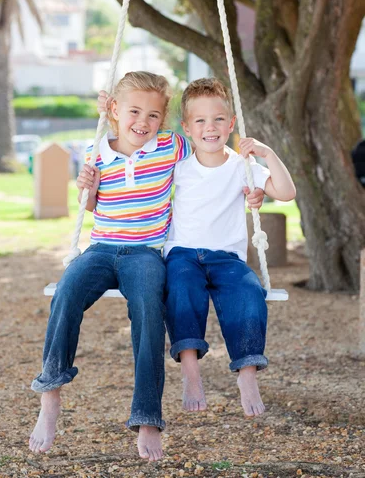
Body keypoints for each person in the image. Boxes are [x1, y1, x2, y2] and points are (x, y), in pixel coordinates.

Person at [29, 72, 193, 462]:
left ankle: (148, 416)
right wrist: (87, 184)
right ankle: (50, 396)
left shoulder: (171, 145)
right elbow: (91, 205)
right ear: (115, 110)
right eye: (134, 111)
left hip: (145, 252)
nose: (143, 122)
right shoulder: (97, 148)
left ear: (163, 119)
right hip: (101, 248)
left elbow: (211, 142)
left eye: (153, 115)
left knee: (150, 312)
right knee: (66, 292)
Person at [164, 78, 296, 418]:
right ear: (187, 128)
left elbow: (286, 192)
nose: (211, 128)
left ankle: (248, 373)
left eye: (219, 119)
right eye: (201, 121)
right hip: (183, 253)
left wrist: (268, 155)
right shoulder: (177, 168)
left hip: (228, 257)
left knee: (250, 294)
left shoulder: (243, 167)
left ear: (232, 124)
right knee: (180, 291)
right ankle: (191, 373)